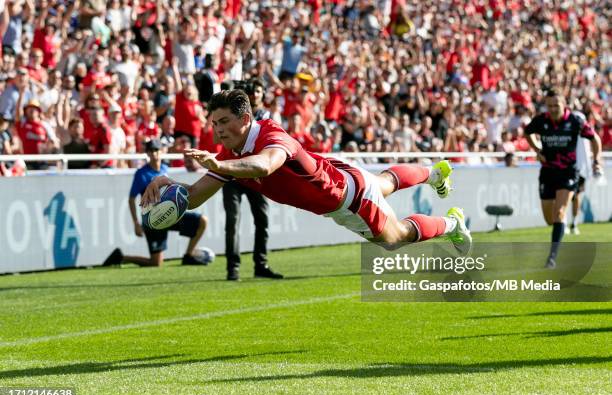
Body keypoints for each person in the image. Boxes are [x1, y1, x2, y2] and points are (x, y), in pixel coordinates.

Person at [141, 90, 471, 261]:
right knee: (381, 183)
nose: (217, 131)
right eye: (213, 124)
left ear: (245, 119)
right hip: (339, 175)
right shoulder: (230, 155)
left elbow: (265, 166)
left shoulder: (272, 137)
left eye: (223, 122)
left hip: (347, 200)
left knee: (394, 239)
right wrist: (166, 182)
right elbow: (196, 194)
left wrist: (218, 166)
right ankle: (432, 172)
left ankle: (452, 224)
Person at [524, 89, 603, 268]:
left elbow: (595, 139)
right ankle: (560, 228)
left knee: (559, 212)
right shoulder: (541, 120)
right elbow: (527, 132)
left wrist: (596, 159)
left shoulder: (575, 121)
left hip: (568, 172)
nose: (553, 109)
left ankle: (552, 258)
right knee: (549, 219)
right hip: (547, 172)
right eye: (549, 105)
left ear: (564, 104)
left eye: (556, 105)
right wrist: (537, 150)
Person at [103, 139, 211, 268]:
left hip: (170, 212)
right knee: (156, 263)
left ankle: (188, 256)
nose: (154, 153)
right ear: (147, 153)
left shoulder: (165, 168)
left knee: (202, 221)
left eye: (156, 150)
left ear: (162, 151)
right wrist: (136, 223)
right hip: (153, 218)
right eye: (151, 151)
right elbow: (131, 198)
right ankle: (121, 257)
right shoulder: (141, 173)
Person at [222, 79, 280, 281]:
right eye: (252, 91)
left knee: (262, 220)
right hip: (233, 173)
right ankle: (233, 268)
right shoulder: (234, 113)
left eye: (258, 91)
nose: (255, 94)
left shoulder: (267, 117)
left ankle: (261, 264)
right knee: (233, 221)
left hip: (254, 175)